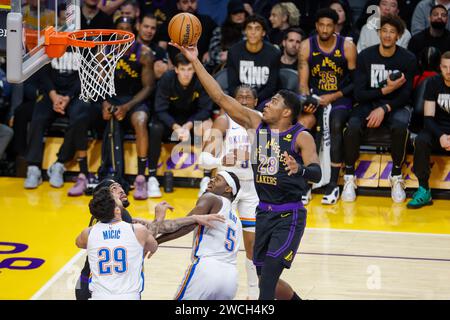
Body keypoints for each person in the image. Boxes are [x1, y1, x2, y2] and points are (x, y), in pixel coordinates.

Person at [170, 41, 321, 300]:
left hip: (289, 215)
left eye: (273, 101)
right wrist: (195, 60)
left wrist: (300, 170)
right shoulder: (256, 124)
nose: (266, 105)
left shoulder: (301, 137)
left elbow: (317, 174)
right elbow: (219, 96)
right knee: (267, 279)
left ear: (286, 111)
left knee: (267, 281)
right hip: (264, 211)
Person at [75, 178, 225, 300]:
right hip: (102, 288)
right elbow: (151, 233)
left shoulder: (103, 220)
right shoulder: (121, 216)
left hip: (92, 286)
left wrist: (193, 218)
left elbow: (155, 228)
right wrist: (159, 217)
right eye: (114, 188)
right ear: (109, 196)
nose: (121, 190)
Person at [342, 14, 417, 204]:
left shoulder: (407, 59)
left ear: (398, 36)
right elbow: (359, 94)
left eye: (392, 32)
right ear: (378, 33)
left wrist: (385, 107)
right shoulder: (366, 57)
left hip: (395, 105)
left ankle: (396, 175)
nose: (388, 35)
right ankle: (349, 176)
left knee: (401, 125)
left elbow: (406, 95)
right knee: (352, 126)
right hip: (368, 104)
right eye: (384, 31)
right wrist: (386, 90)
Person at [199, 85, 259, 299]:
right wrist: (220, 160)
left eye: (248, 97)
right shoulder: (225, 121)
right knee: (220, 240)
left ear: (256, 102)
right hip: (227, 188)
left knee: (253, 244)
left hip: (252, 189)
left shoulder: (261, 121)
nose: (243, 100)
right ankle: (213, 285)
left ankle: (254, 292)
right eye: (239, 97)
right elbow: (202, 159)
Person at [298, 8, 357, 205]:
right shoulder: (307, 46)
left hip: (340, 97)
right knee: (306, 124)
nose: (324, 29)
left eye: (328, 25)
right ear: (316, 26)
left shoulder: (347, 47)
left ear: (335, 26)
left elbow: (354, 82)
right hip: (316, 97)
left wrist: (332, 96)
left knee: (336, 124)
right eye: (321, 25)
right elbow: (303, 83)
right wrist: (308, 100)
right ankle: (307, 182)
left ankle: (333, 184)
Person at [155, 171, 242, 300]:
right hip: (231, 278)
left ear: (228, 189)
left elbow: (186, 225)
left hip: (207, 270)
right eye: (212, 177)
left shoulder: (211, 198)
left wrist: (157, 241)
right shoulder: (236, 220)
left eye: (217, 179)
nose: (211, 180)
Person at [23, 49, 96, 195]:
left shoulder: (83, 46)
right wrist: (53, 95)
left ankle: (59, 164)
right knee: (38, 116)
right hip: (51, 93)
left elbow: (84, 76)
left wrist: (68, 97)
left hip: (75, 95)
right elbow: (43, 72)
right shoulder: (50, 43)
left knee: (79, 117)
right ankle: (33, 167)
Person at [101, 17, 155, 200]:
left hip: (134, 100)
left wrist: (127, 106)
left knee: (140, 120)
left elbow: (148, 87)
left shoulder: (144, 53)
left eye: (127, 29)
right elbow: (99, 83)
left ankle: (141, 177)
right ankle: (107, 172)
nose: (124, 32)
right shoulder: (104, 51)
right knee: (103, 120)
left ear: (133, 32)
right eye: (120, 29)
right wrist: (104, 103)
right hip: (112, 98)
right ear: (115, 32)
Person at [148, 53, 213, 198]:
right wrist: (176, 127)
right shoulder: (167, 79)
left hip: (192, 123)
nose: (186, 74)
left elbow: (206, 109)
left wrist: (188, 125)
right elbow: (159, 109)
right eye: (183, 69)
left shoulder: (201, 80)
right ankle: (152, 177)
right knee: (155, 127)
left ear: (194, 69)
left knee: (208, 126)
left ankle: (206, 177)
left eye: (190, 69)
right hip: (170, 123)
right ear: (176, 69)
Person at [75, 187, 157, 300]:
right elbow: (153, 246)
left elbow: (78, 243)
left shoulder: (88, 233)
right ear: (117, 210)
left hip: (98, 296)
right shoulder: (138, 230)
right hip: (129, 296)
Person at [408, 51, 450, 208]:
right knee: (421, 140)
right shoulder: (433, 82)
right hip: (437, 129)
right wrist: (441, 136)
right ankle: (424, 189)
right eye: (445, 67)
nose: (449, 71)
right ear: (440, 67)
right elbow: (428, 118)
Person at [227, 15, 281, 103]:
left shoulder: (273, 53)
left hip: (264, 100)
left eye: (257, 29)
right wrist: (243, 99)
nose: (253, 32)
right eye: (249, 28)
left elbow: (271, 87)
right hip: (239, 99)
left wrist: (253, 100)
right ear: (245, 31)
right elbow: (232, 85)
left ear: (263, 32)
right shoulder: (234, 52)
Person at [207, 0, 247, 72]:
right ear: (230, 15)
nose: (239, 15)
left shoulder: (250, 31)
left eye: (241, 12)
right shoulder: (220, 31)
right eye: (235, 13)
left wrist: (230, 55)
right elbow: (214, 54)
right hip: (222, 70)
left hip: (245, 69)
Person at [135, 14, 169, 80]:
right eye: (146, 26)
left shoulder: (160, 51)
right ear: (138, 26)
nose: (149, 31)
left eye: (153, 28)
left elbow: (161, 73)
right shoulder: (127, 48)